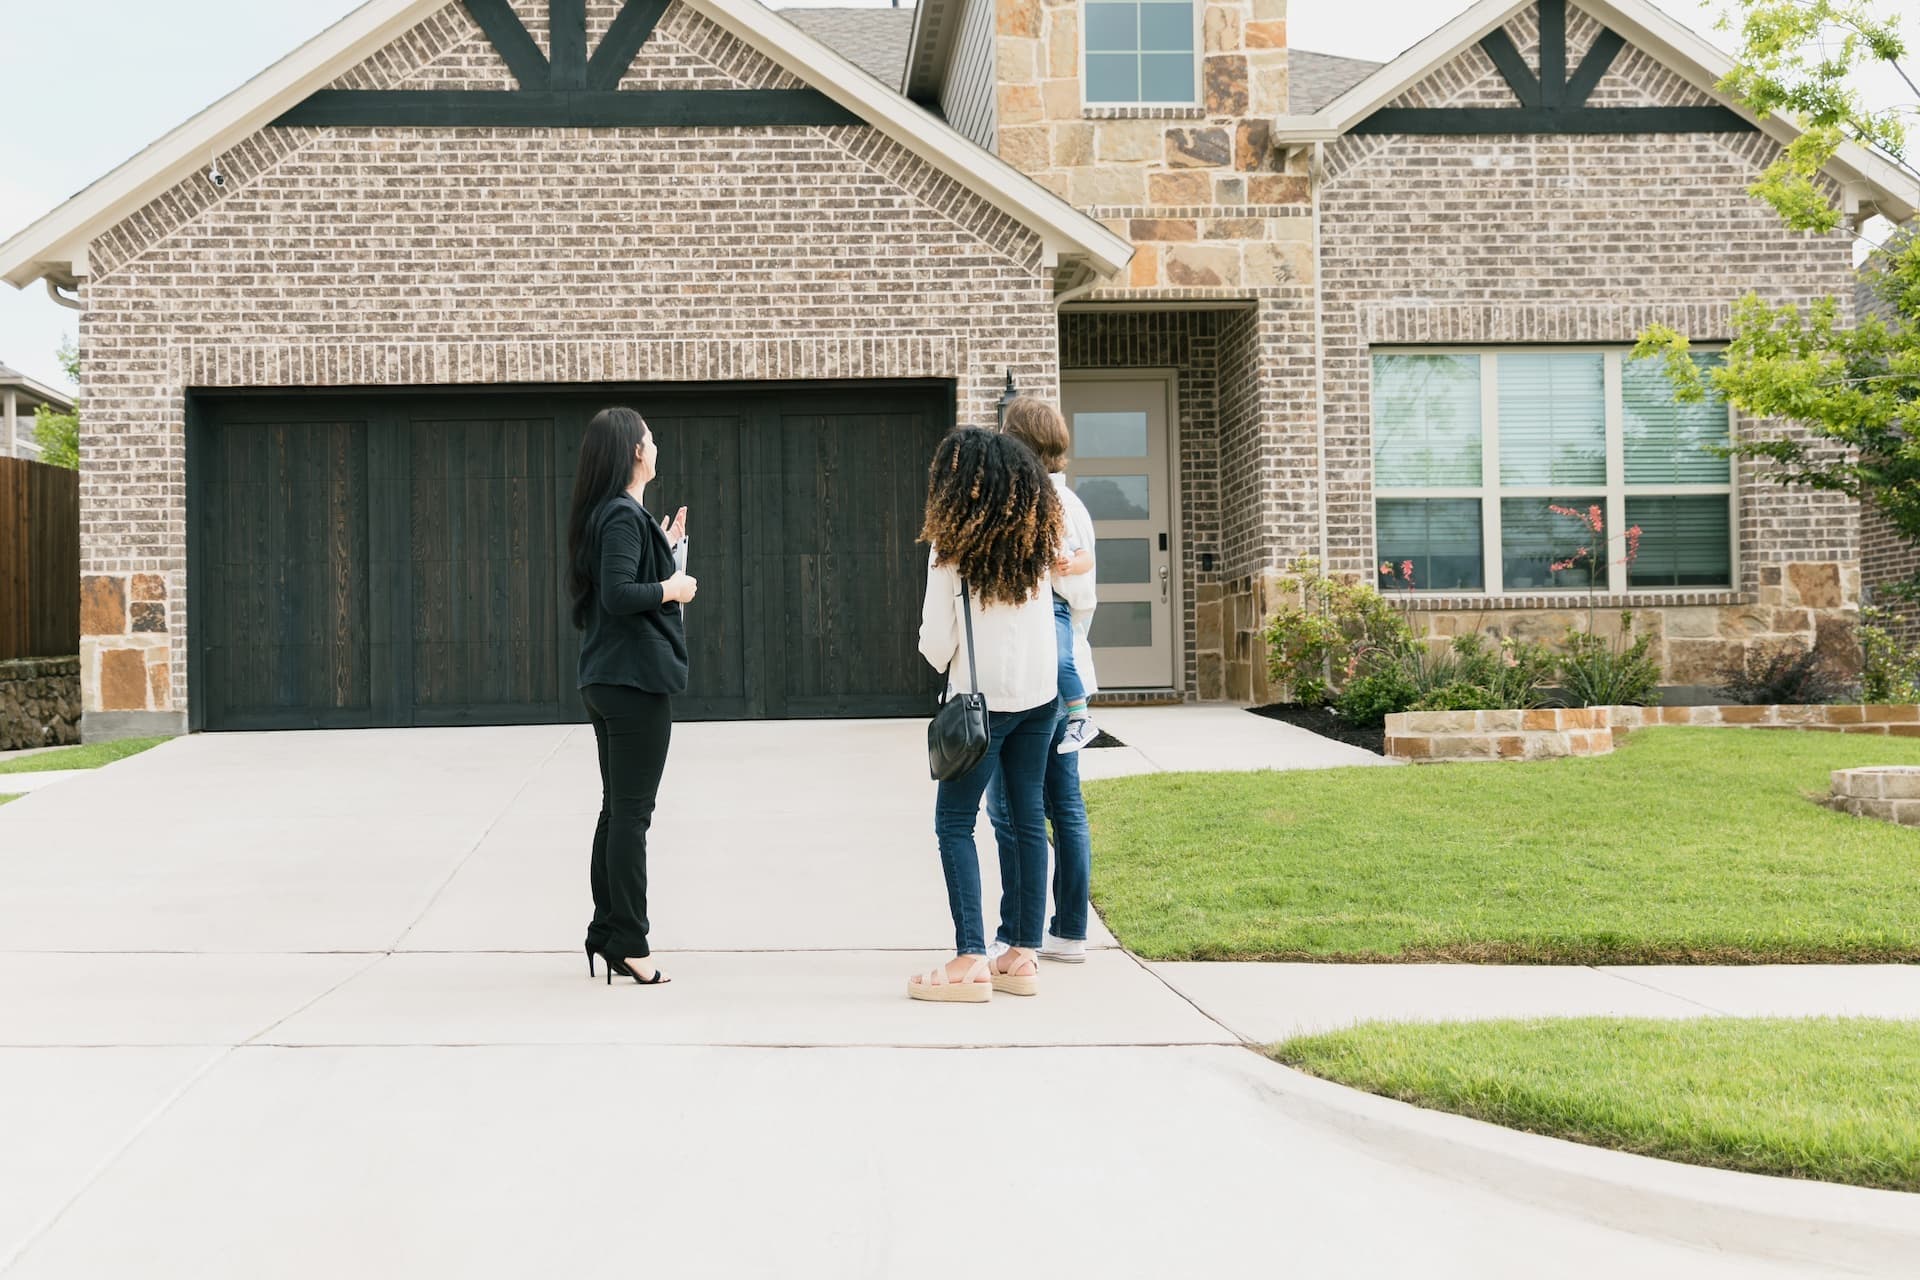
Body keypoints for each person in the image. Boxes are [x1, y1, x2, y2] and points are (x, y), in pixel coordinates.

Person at [910, 427, 1063, 1003]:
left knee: (954, 822)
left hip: (980, 705)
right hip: (1038, 698)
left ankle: (970, 957)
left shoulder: (953, 548)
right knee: (1027, 818)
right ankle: (1021, 954)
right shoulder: (1037, 539)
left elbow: (933, 644)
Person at [565, 406, 698, 987]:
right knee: (631, 818)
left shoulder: (618, 516)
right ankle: (631, 942)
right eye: (650, 438)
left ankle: (607, 932)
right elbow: (621, 595)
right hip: (633, 682)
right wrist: (672, 584)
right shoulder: (620, 516)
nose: (656, 444)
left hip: (610, 680)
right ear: (633, 453)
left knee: (616, 812)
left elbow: (621, 580)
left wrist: (664, 547)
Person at [988, 397, 1099, 964]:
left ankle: (1019, 933)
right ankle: (1070, 931)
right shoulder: (1072, 503)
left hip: (1036, 672)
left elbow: (1073, 586)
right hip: (1064, 660)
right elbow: (1083, 593)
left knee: (1011, 809)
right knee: (1065, 804)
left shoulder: (1037, 501)